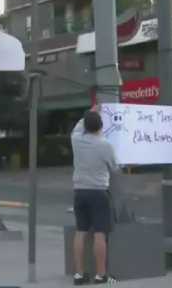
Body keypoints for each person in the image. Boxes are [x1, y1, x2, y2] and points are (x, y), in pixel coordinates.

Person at [71, 108, 119, 285]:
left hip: (79, 191)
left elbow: (78, 126)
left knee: (80, 232)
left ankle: (79, 274)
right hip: (99, 192)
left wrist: (89, 113)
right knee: (100, 233)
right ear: (101, 126)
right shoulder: (104, 144)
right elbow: (115, 168)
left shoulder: (75, 139)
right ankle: (100, 275)